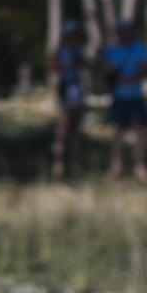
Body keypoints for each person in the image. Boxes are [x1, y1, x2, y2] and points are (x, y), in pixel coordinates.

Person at [101, 19, 147, 180]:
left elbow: (146, 68)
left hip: (135, 95)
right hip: (118, 96)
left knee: (139, 131)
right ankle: (116, 166)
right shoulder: (111, 51)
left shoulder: (139, 48)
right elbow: (104, 70)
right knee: (117, 131)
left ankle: (140, 166)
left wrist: (132, 77)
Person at [48, 21, 88, 179]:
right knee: (63, 128)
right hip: (66, 89)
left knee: (75, 129)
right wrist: (66, 65)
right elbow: (52, 67)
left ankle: (76, 163)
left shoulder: (79, 52)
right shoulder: (60, 52)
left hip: (76, 89)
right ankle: (59, 164)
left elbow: (86, 67)